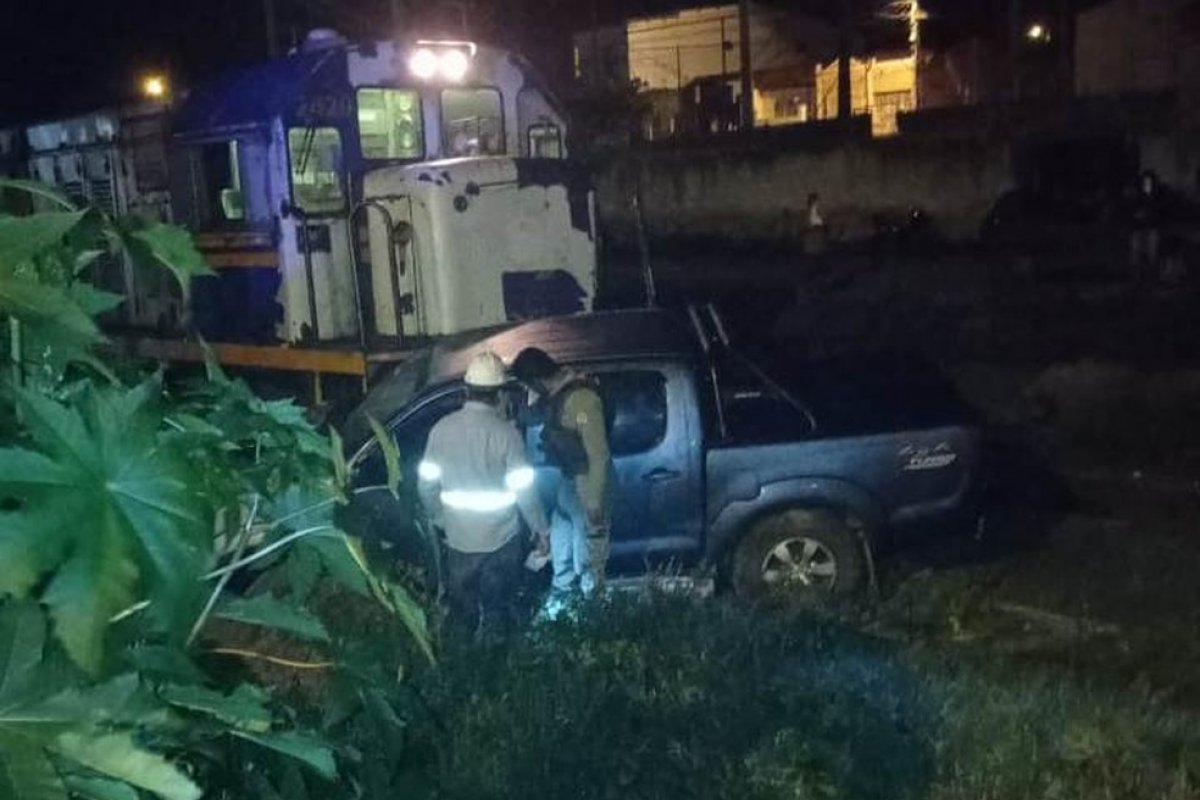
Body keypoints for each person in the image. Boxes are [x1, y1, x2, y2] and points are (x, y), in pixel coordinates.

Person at [418, 351, 549, 638]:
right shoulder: (506, 435)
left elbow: (426, 485)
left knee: (461, 612)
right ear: (500, 394)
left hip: (459, 540)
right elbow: (525, 491)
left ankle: (459, 660)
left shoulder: (441, 430)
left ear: (467, 391)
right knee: (497, 611)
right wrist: (541, 530)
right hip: (501, 542)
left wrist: (441, 521)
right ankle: (496, 661)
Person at [510, 347, 614, 604]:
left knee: (588, 556)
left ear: (536, 379)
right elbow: (531, 417)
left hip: (588, 482)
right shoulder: (555, 396)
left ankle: (592, 608)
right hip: (569, 481)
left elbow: (598, 455)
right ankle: (563, 600)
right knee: (562, 545)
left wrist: (594, 502)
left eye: (528, 385)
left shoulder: (582, 400)